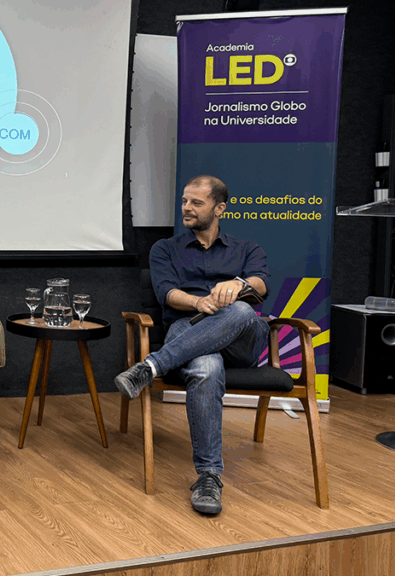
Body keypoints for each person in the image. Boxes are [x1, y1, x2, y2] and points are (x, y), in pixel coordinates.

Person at [114, 175, 270, 516]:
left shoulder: (246, 249)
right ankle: (209, 476)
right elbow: (166, 293)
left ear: (219, 208)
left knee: (243, 308)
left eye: (196, 203)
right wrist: (199, 303)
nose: (187, 207)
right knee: (205, 366)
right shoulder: (165, 249)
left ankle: (151, 366)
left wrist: (237, 284)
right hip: (188, 327)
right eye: (185, 201)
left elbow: (260, 283)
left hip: (241, 336)